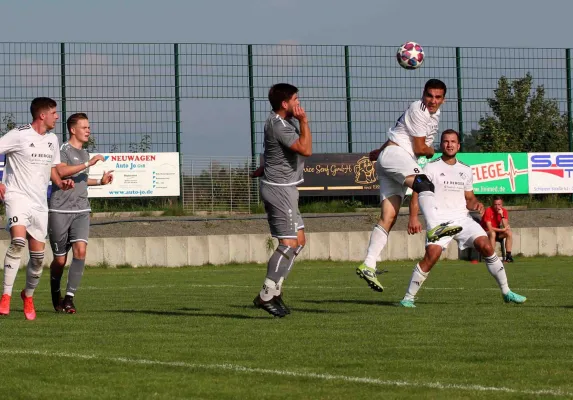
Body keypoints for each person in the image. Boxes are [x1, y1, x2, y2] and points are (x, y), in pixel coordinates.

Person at [356, 79, 462, 292]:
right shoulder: (419, 109)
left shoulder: (433, 115)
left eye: (438, 97)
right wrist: (433, 151)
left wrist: (380, 150)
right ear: (423, 94)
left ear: (444, 99)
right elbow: (421, 148)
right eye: (430, 95)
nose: (433, 101)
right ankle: (436, 227)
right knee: (426, 185)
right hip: (398, 157)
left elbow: (398, 132)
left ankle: (368, 263)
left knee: (389, 217)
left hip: (391, 157)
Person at [399, 129, 526, 307]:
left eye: (453, 142)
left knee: (486, 246)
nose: (449, 144)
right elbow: (416, 194)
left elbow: (469, 197)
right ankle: (408, 298)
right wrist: (413, 218)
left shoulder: (465, 170)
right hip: (439, 221)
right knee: (432, 255)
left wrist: (476, 203)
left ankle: (506, 292)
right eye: (446, 141)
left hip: (463, 219)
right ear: (441, 145)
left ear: (458, 145)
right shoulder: (430, 167)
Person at [0, 97, 74, 320]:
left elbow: (53, 168)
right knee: (18, 242)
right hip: (17, 196)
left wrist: (60, 183)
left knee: (38, 258)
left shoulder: (52, 140)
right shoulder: (18, 134)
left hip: (40, 204)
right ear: (42, 115)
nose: (57, 117)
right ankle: (5, 295)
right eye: (54, 113)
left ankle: (28, 295)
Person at [252, 83, 311, 318]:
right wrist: (305, 121)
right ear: (285, 104)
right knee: (288, 243)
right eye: (296, 100)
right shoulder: (280, 125)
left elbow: (273, 150)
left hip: (286, 189)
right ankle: (266, 295)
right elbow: (305, 149)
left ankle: (275, 290)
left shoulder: (280, 123)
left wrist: (265, 166)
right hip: (279, 191)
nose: (299, 103)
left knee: (299, 241)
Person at [48, 113, 114, 314]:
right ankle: (55, 293)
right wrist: (89, 164)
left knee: (81, 252)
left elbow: (81, 180)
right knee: (60, 260)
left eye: (89, 127)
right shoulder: (62, 150)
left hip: (82, 209)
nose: (88, 130)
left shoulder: (85, 154)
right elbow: (60, 172)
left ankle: (69, 299)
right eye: (84, 127)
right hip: (60, 209)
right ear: (72, 129)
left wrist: (100, 182)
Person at [481, 196, 514, 262]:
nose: (497, 206)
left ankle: (508, 256)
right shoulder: (488, 210)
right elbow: (489, 228)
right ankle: (491, 256)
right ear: (493, 204)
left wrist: (502, 215)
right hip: (486, 232)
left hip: (497, 232)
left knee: (509, 233)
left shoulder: (504, 211)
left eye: (499, 204)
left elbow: (506, 226)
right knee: (492, 233)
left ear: (502, 204)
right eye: (495, 204)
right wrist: (501, 230)